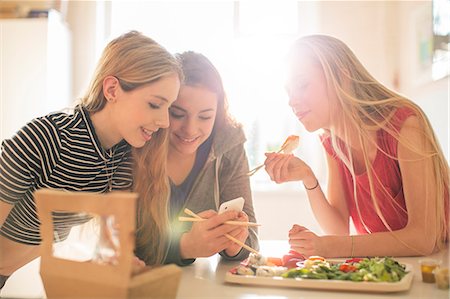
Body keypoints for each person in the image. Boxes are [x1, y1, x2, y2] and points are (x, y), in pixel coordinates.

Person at [0, 31, 182, 288]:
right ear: (111, 89)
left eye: (169, 108)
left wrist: (116, 263)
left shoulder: (122, 156)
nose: (164, 122)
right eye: (155, 104)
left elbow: (108, 246)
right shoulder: (47, 138)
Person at [264, 35, 449, 258]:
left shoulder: (405, 125)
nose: (292, 101)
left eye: (302, 85)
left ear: (342, 77)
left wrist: (327, 247)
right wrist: (308, 178)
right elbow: (338, 230)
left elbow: (423, 239)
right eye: (289, 91)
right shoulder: (332, 141)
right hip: (395, 272)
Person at [137, 51, 259, 266]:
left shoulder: (228, 144)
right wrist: (185, 247)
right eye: (177, 114)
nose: (190, 129)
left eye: (205, 117)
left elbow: (251, 239)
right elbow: (123, 244)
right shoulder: (139, 141)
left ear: (218, 113)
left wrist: (234, 244)